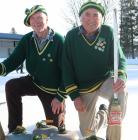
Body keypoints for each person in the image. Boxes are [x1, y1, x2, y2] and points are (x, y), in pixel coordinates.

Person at [52, 0, 128, 139]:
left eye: (96, 15)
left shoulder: (107, 32)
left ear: (101, 18)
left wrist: (121, 76)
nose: (91, 19)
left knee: (121, 91)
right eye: (87, 14)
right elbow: (67, 69)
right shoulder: (71, 36)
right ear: (80, 17)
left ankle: (113, 131)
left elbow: (120, 58)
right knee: (87, 132)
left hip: (104, 80)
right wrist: (75, 96)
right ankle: (104, 115)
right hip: (84, 87)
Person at [0, 5, 66, 134]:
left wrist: (60, 96)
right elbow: (14, 60)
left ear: (47, 19)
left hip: (53, 90)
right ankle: (15, 129)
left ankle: (60, 121)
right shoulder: (27, 39)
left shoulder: (58, 40)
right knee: (11, 86)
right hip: (35, 82)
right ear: (29, 23)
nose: (36, 21)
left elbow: (67, 71)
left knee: (55, 131)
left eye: (40, 17)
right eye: (33, 19)